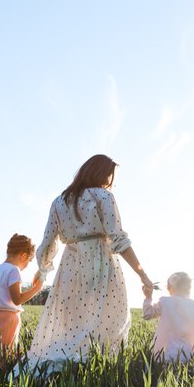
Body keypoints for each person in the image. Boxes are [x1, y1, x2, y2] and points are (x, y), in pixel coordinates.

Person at [25, 154, 152, 374]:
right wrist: (143, 275)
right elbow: (118, 239)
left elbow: (47, 241)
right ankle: (97, 371)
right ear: (103, 174)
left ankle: (66, 371)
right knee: (109, 319)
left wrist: (43, 269)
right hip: (100, 261)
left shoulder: (59, 201)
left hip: (70, 265)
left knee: (73, 321)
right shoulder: (104, 196)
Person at [0, 234, 45, 366]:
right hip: (8, 319)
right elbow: (17, 299)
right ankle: (1, 383)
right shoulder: (14, 270)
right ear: (23, 255)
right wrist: (37, 288)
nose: (26, 266)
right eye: (28, 261)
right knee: (4, 359)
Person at [142, 272, 194, 362]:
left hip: (165, 355)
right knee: (187, 374)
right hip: (189, 355)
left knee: (165, 375)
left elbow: (147, 315)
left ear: (169, 287)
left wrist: (148, 297)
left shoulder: (164, 302)